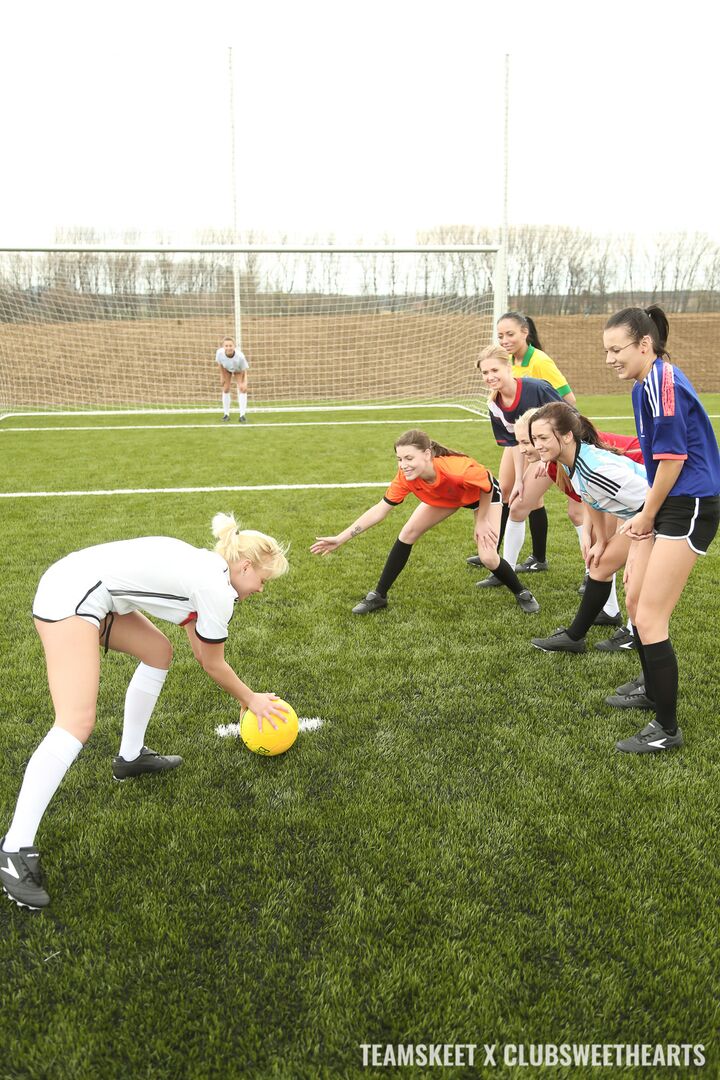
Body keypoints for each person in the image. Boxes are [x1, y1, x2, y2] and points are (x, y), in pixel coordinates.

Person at [0, 514, 289, 910]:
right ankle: (14, 850)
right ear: (244, 567)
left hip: (79, 585)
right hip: (70, 596)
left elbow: (199, 645)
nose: (260, 589)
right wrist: (251, 698)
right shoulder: (215, 588)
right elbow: (212, 662)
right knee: (75, 721)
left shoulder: (208, 568)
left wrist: (244, 696)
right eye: (263, 580)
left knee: (157, 651)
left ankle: (130, 756)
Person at [599, 305, 720, 753]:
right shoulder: (643, 384)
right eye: (607, 350)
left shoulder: (662, 384)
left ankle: (667, 730)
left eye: (617, 350)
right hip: (668, 497)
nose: (609, 359)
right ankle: (652, 689)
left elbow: (673, 460)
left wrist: (646, 514)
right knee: (634, 601)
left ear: (644, 345)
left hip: (690, 503)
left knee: (650, 617)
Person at [310, 428, 540, 615]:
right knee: (407, 533)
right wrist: (340, 538)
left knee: (488, 557)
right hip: (446, 497)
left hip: (482, 497)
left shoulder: (457, 470)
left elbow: (488, 485)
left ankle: (522, 592)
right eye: (400, 459)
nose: (403, 464)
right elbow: (379, 511)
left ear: (427, 454)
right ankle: (378, 595)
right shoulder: (405, 477)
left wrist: (481, 521)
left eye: (409, 458)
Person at [523, 403, 650, 659]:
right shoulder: (572, 461)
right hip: (642, 516)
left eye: (543, 438)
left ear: (567, 436)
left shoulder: (596, 469)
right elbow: (591, 499)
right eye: (534, 439)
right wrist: (601, 541)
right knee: (599, 566)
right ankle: (574, 637)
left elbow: (653, 504)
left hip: (664, 516)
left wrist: (638, 545)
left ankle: (641, 645)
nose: (537, 445)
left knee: (635, 592)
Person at [469, 346, 563, 585]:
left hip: (559, 450)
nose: (490, 376)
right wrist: (520, 478)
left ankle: (528, 562)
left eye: (495, 370)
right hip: (527, 449)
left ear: (508, 367)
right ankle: (497, 558)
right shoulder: (495, 403)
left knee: (572, 512)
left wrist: (547, 459)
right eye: (485, 372)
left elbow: (569, 420)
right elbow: (514, 443)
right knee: (508, 492)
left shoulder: (537, 388)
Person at [496, 311, 576, 572]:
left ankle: (536, 557)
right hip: (519, 440)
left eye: (510, 334)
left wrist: (547, 444)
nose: (505, 340)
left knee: (530, 498)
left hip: (542, 441)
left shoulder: (540, 361)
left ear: (525, 332)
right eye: (500, 336)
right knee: (506, 489)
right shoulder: (507, 363)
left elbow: (569, 402)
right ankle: (496, 553)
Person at [216, 336, 249, 422]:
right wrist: (222, 376)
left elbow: (244, 369)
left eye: (230, 345)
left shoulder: (240, 356)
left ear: (234, 346)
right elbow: (220, 364)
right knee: (226, 389)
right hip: (226, 369)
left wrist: (245, 382)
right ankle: (226, 415)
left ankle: (242, 415)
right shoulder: (219, 353)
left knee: (242, 389)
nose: (228, 348)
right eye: (226, 346)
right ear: (223, 347)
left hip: (238, 370)